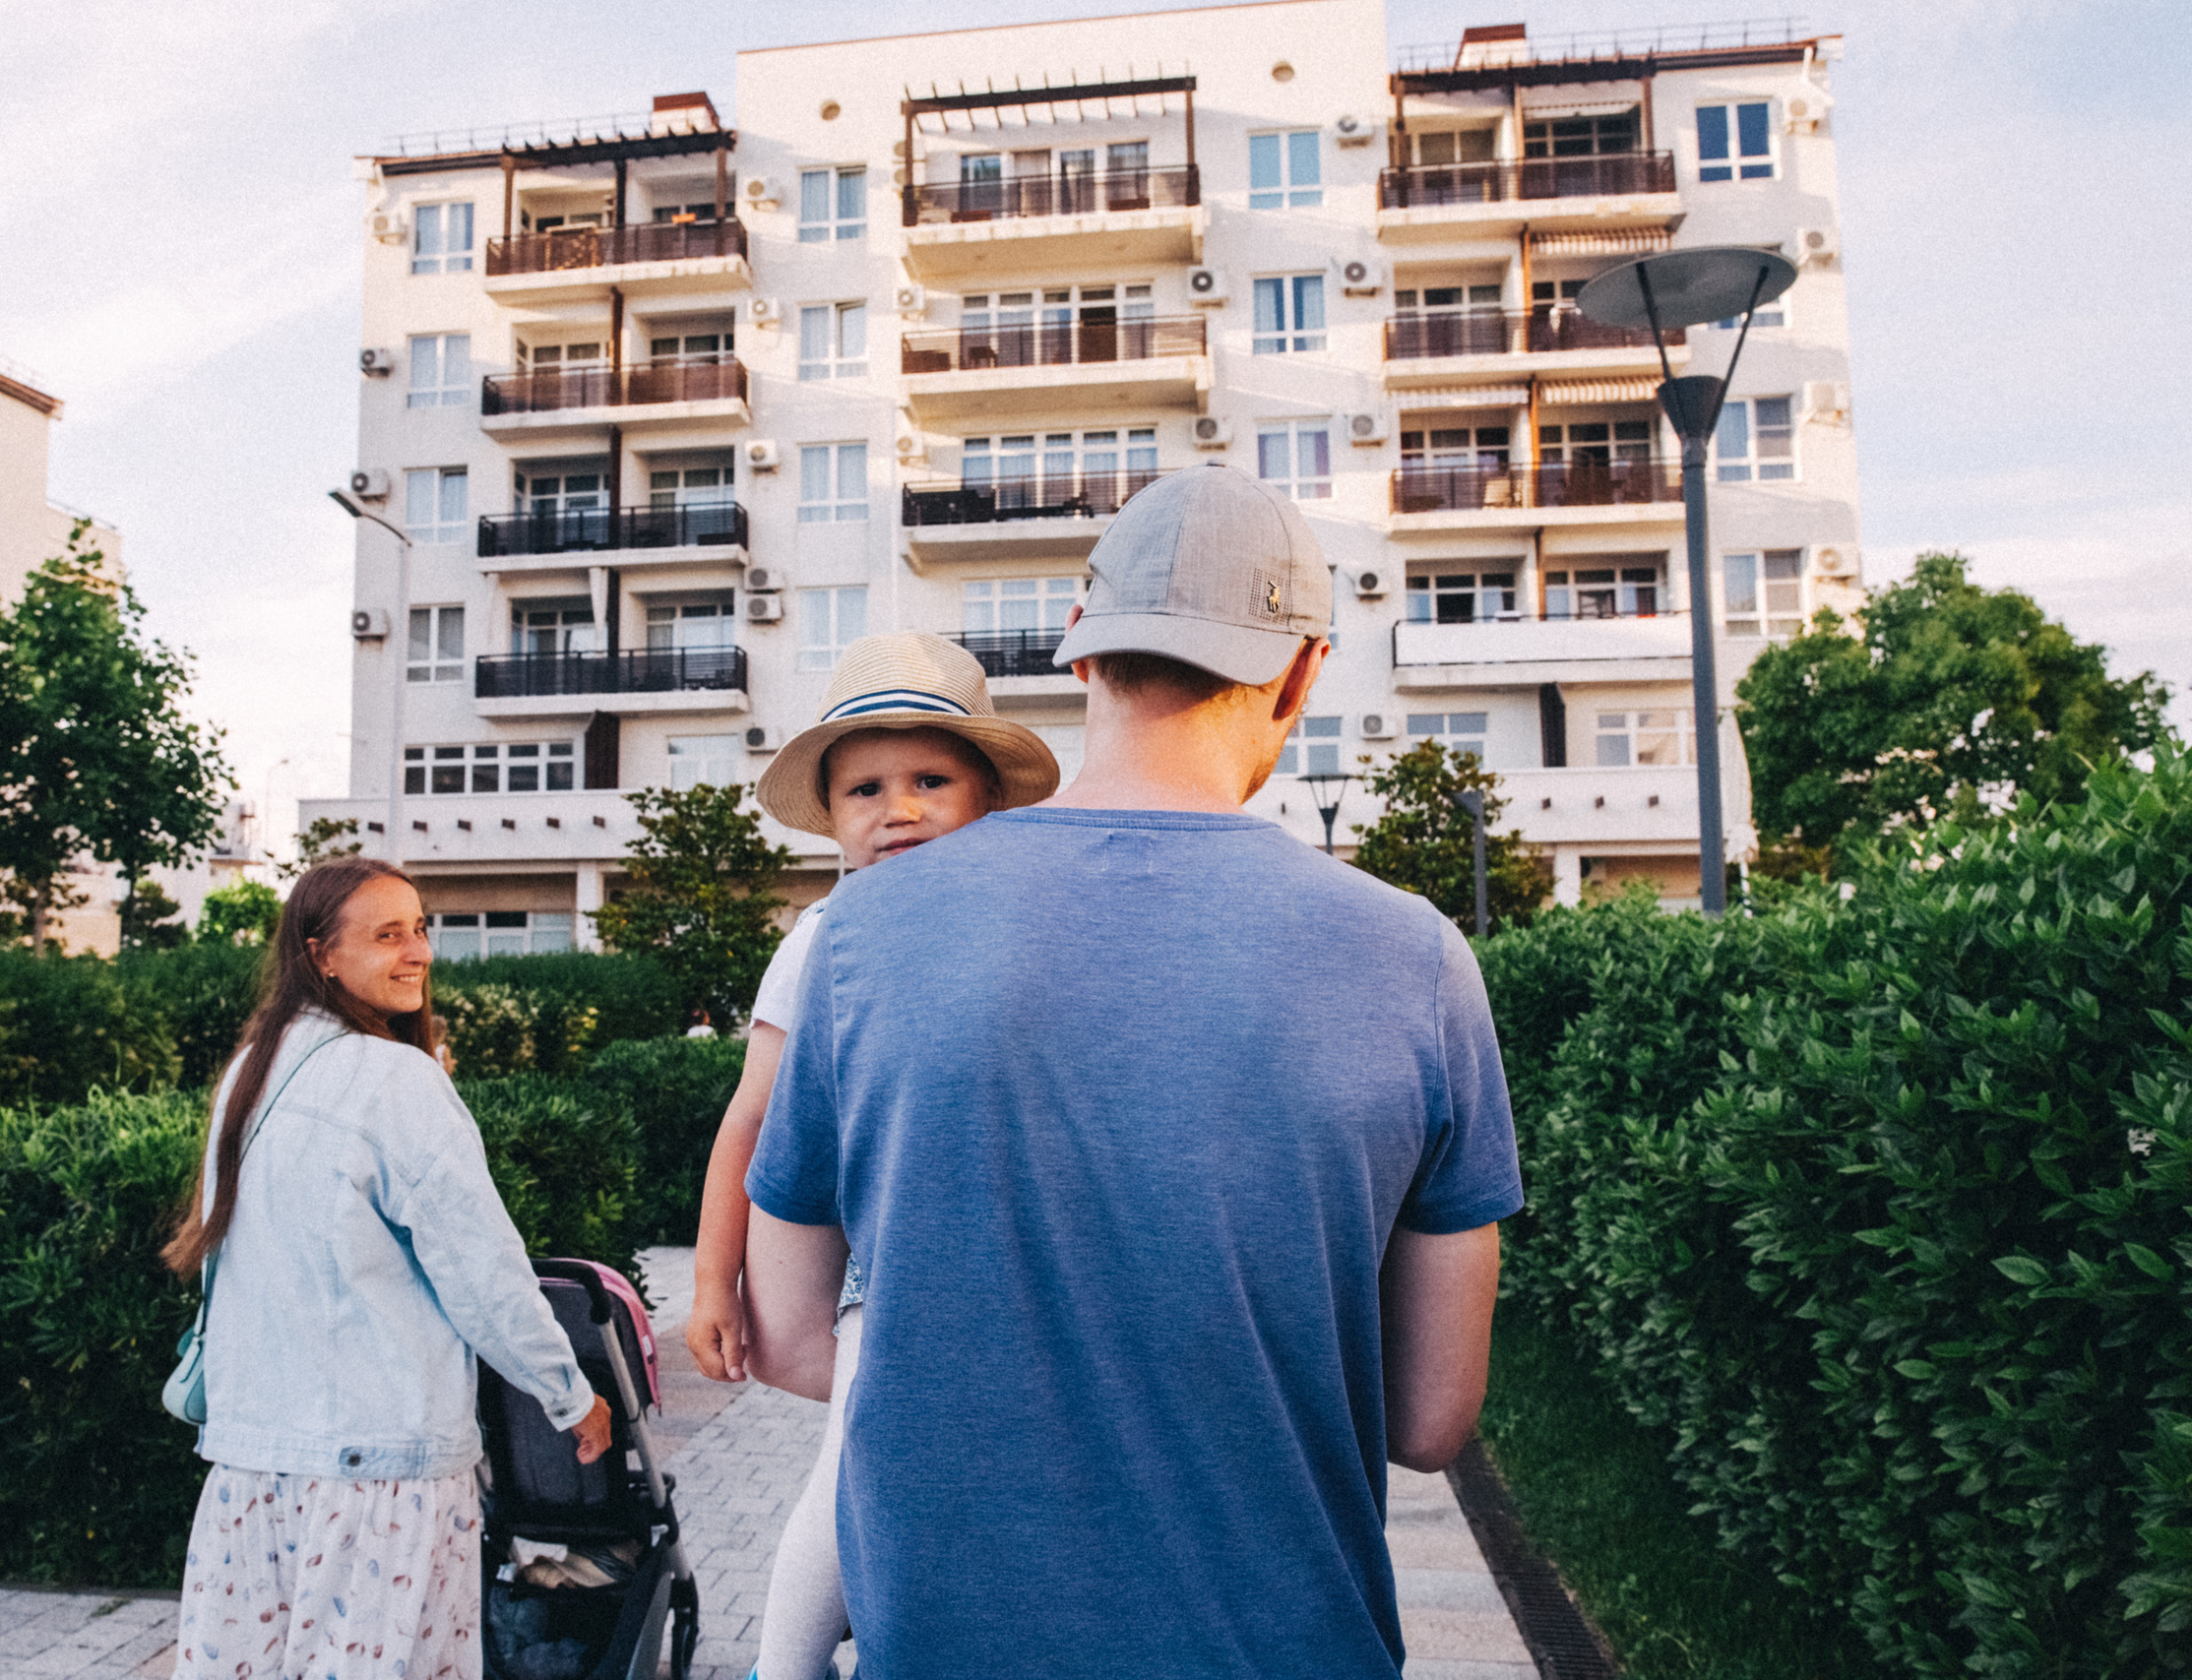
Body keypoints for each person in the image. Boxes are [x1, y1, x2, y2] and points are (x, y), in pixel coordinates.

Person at [743, 466, 1524, 1680]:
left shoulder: (862, 934)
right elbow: (1429, 1418)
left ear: (1079, 646)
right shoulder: (1414, 957)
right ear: (1302, 674)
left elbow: (795, 1339)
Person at [684, 633, 1059, 1680]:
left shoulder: (1025, 925)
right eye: (865, 790)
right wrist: (713, 1280)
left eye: (931, 780)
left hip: (1011, 1255)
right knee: (854, 1460)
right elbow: (749, 1116)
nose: (898, 809)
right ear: (831, 816)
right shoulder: (824, 936)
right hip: (881, 1256)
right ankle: (784, 1665)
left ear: (989, 796)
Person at [159, 855, 613, 1680]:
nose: (419, 952)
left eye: (420, 928)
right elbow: (483, 1271)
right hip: (377, 1470)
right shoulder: (396, 1079)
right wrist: (567, 1393)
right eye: (387, 935)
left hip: (250, 1463)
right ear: (322, 954)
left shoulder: (252, 1069)